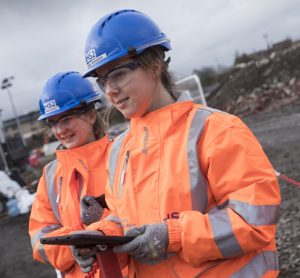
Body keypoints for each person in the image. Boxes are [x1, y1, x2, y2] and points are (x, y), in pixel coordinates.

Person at [81, 10, 281, 277]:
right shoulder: (119, 149)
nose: (110, 90)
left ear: (155, 65)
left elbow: (254, 221)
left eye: (117, 74)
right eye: (102, 80)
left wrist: (174, 235)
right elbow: (124, 218)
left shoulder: (216, 130)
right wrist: (102, 237)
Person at [29, 71, 112, 277]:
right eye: (53, 122)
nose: (59, 130)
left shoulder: (122, 154)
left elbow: (143, 216)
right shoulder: (50, 175)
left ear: (91, 115)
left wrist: (101, 225)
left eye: (65, 119)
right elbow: (40, 239)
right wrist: (76, 242)